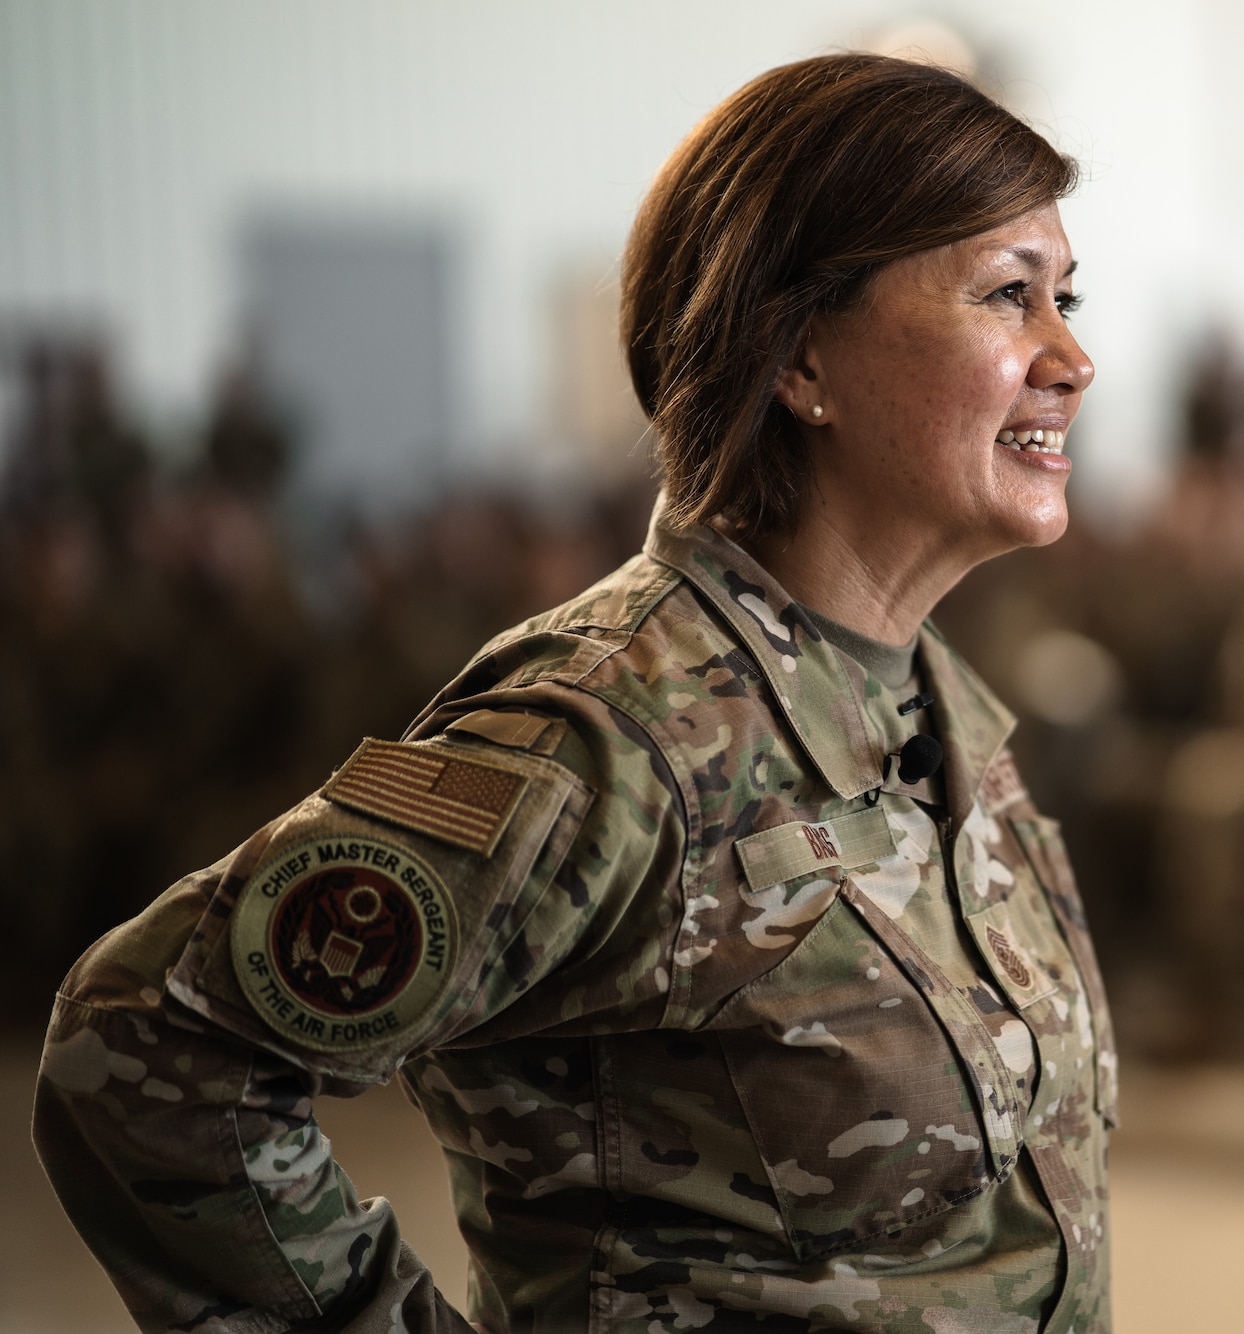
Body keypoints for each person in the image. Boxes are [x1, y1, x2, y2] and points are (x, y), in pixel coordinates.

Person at [33, 54, 1116, 1334]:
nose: (1073, 358)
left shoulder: (938, 708)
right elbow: (147, 1059)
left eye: (1065, 295)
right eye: (1008, 296)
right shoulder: (609, 738)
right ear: (802, 355)